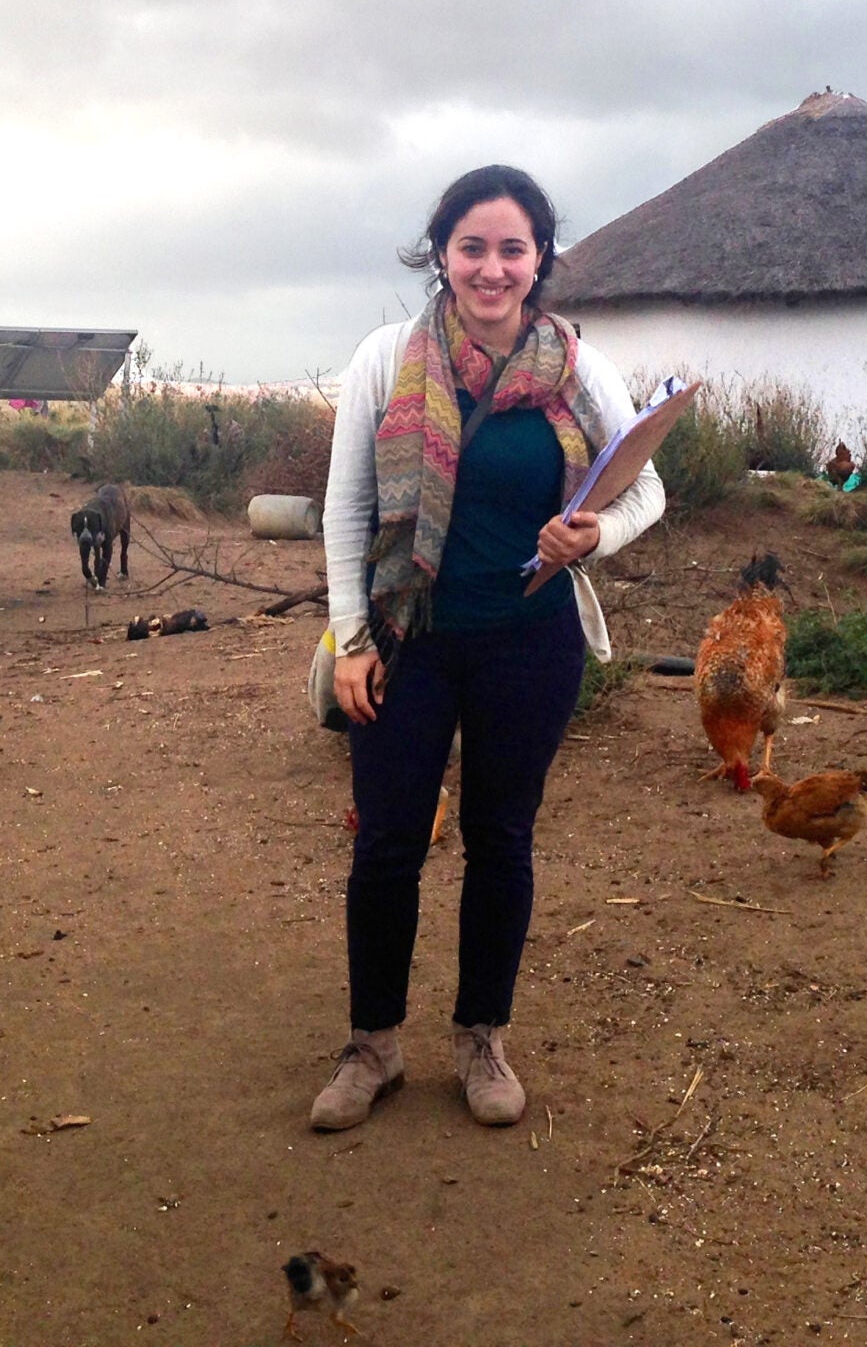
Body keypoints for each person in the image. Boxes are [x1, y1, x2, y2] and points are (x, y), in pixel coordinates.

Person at [311, 164, 665, 1132]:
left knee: (500, 842)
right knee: (386, 845)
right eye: (473, 246)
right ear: (442, 253)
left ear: (540, 258)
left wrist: (598, 534)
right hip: (405, 643)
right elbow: (346, 509)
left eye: (513, 248)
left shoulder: (576, 368)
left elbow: (643, 486)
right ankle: (372, 1045)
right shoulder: (390, 358)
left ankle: (480, 1038)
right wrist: (350, 639)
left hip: (527, 644)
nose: (492, 268)